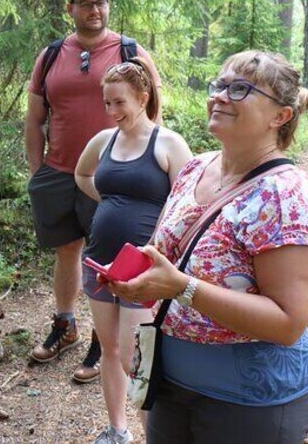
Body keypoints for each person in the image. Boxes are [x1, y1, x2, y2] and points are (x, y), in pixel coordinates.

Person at [109, 51, 308, 444]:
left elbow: (288, 322)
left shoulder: (287, 196)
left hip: (251, 401)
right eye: (220, 85)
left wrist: (181, 287)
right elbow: (166, 251)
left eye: (240, 89)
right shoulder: (196, 168)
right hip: (170, 381)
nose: (221, 96)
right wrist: (137, 275)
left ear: (280, 116)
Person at [26, 0, 162, 383]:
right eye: (85, 3)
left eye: (101, 2)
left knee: (111, 255)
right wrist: (38, 171)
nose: (95, 10)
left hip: (114, 175)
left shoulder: (129, 51)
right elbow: (35, 117)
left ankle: (105, 340)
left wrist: (144, 169)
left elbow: (153, 113)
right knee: (67, 249)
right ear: (71, 9)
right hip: (60, 171)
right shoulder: (51, 55)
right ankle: (66, 325)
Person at [74, 57, 192, 444]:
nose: (111, 111)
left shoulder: (169, 143)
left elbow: (190, 204)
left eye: (119, 102)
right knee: (109, 348)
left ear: (143, 98)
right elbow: (82, 173)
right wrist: (110, 200)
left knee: (135, 357)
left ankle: (154, 434)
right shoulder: (103, 141)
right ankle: (117, 430)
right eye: (107, 103)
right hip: (99, 262)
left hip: (144, 269)